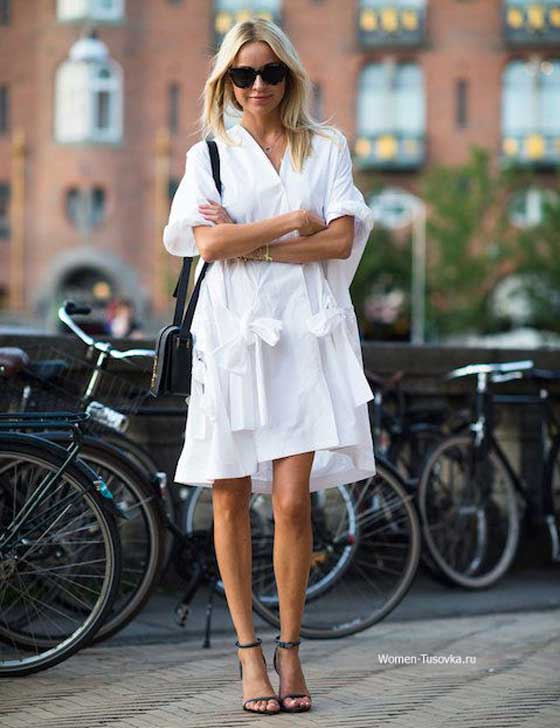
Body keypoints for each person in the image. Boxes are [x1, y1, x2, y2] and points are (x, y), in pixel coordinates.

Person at [163, 17, 376, 716]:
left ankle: (291, 652)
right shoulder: (210, 154)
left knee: (291, 503)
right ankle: (248, 658)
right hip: (232, 341)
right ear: (226, 80)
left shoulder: (325, 147)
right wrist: (290, 222)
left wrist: (245, 240)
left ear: (290, 76)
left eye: (270, 72)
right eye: (243, 74)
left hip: (305, 338)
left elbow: (341, 236)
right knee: (228, 496)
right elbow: (206, 243)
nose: (258, 86)